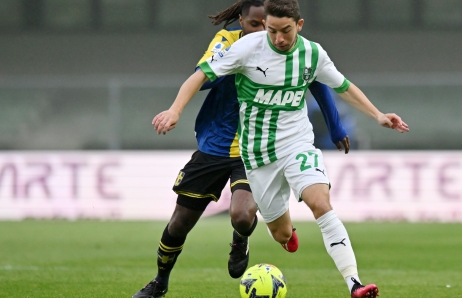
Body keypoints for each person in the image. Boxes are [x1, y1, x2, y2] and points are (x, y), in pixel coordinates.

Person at [133, 0, 350, 297]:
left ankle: (241, 239)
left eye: (267, 26)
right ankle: (159, 282)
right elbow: (203, 77)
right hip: (215, 144)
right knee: (180, 223)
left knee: (243, 215)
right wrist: (179, 106)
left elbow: (318, 83)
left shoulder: (287, 46)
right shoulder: (229, 42)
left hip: (254, 148)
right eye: (254, 25)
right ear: (240, 21)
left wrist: (336, 126)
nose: (263, 33)